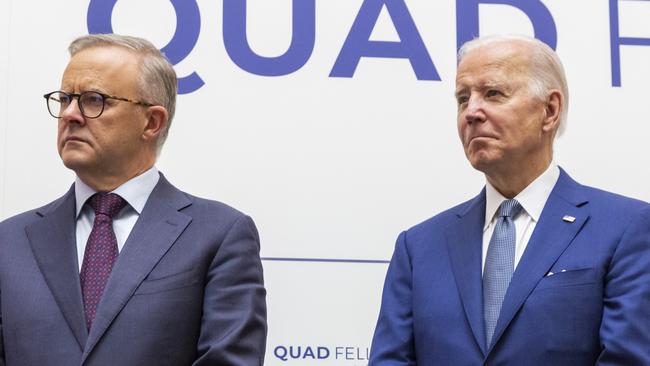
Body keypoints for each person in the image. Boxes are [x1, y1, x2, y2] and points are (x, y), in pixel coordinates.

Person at [369, 35, 650, 365]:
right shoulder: (418, 247)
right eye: (462, 99)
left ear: (550, 110)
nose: (471, 112)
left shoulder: (626, 228)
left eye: (492, 94)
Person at [0, 34, 266, 365]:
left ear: (151, 122)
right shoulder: (8, 242)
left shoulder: (219, 235)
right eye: (65, 98)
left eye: (94, 100)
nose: (70, 114)